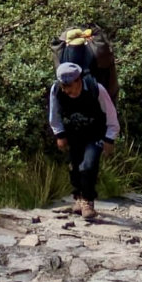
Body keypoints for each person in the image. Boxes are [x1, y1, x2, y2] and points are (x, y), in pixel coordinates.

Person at [48, 61, 119, 220]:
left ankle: (88, 201)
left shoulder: (96, 89)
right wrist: (59, 135)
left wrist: (109, 139)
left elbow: (111, 116)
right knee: (74, 167)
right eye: (64, 87)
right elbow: (54, 115)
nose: (67, 91)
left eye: (70, 86)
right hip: (74, 134)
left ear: (78, 80)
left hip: (95, 134)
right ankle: (78, 198)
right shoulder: (56, 91)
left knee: (88, 166)